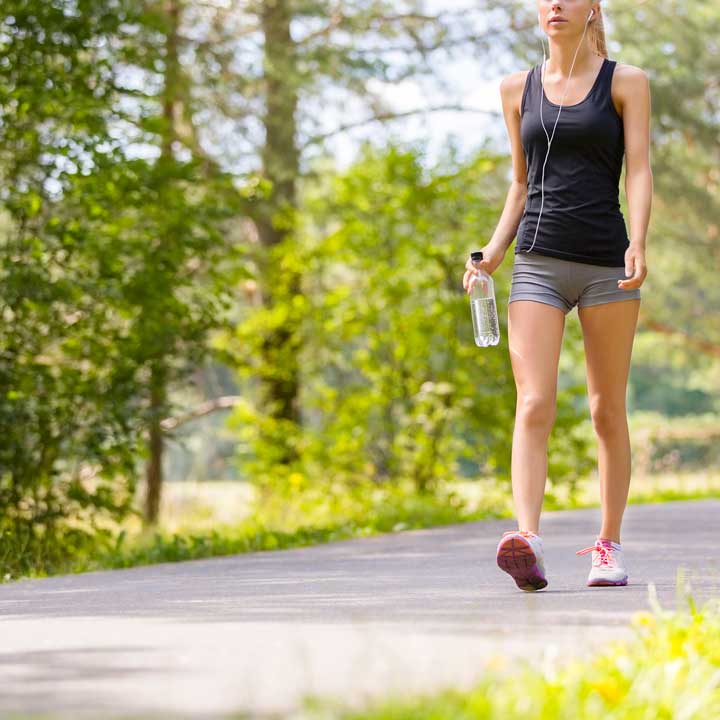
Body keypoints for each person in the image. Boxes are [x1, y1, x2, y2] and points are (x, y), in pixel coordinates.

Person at [462, 0, 652, 591]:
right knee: (534, 403)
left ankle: (607, 546)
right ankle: (529, 540)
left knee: (604, 410)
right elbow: (520, 184)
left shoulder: (625, 81)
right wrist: (492, 253)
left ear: (592, 7)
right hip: (537, 263)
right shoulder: (516, 88)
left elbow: (639, 169)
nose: (555, 5)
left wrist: (639, 241)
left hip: (606, 264)